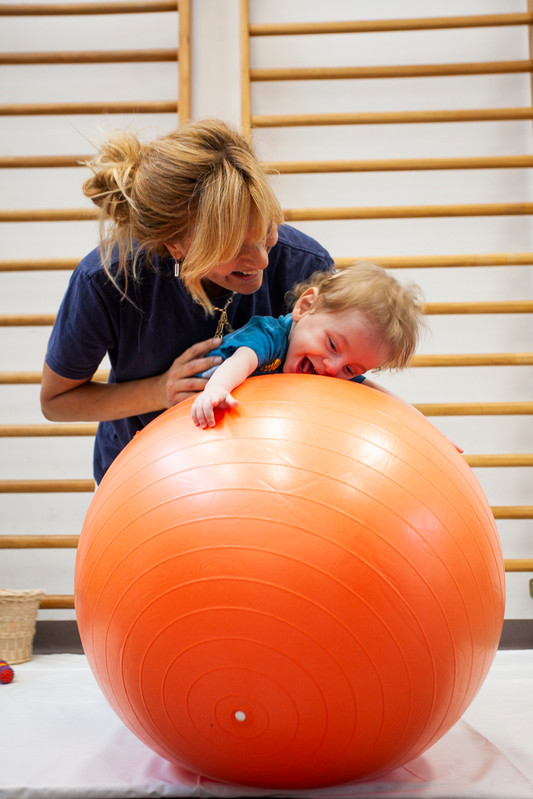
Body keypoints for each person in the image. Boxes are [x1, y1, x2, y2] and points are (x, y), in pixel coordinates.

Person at [40, 119, 335, 483]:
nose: (261, 261)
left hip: (266, 476)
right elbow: (56, 401)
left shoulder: (306, 266)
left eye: (267, 230)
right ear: (175, 246)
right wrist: (159, 391)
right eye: (234, 248)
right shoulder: (108, 280)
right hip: (145, 479)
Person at [191, 261, 423, 428]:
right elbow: (243, 359)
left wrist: (417, 421)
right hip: (201, 397)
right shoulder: (271, 335)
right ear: (305, 307)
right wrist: (217, 389)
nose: (332, 368)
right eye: (332, 345)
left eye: (350, 369)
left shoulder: (330, 368)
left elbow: (372, 391)